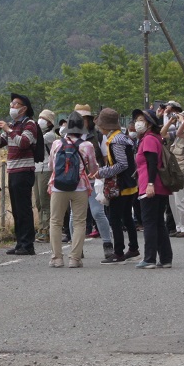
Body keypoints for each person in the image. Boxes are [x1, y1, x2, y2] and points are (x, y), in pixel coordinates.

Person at [47, 112, 100, 268]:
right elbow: (93, 168)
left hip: (58, 187)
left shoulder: (57, 144)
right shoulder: (87, 145)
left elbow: (51, 166)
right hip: (80, 187)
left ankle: (57, 258)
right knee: (79, 222)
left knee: (55, 221)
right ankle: (74, 259)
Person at [0, 92, 41, 255]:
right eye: (11, 104)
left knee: (24, 208)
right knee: (16, 209)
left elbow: (24, 143)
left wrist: (8, 128)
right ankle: (20, 242)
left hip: (24, 170)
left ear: (24, 108)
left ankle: (28, 245)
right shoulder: (13, 125)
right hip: (13, 170)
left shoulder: (30, 124)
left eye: (15, 104)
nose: (12, 106)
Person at [96, 107, 139, 263]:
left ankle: (119, 252)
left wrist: (102, 172)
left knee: (115, 218)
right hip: (130, 182)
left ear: (105, 126)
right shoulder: (123, 137)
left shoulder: (115, 140)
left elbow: (122, 164)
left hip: (120, 184)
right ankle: (133, 248)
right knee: (127, 216)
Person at [132, 108, 173, 268]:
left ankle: (149, 258)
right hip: (158, 186)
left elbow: (151, 163)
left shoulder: (148, 139)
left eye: (141, 119)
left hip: (150, 186)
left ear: (149, 123)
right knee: (158, 223)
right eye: (136, 119)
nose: (137, 123)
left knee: (149, 222)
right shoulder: (154, 137)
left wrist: (149, 184)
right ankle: (165, 258)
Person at [75, 104, 115, 255]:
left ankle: (107, 243)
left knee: (97, 212)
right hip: (75, 181)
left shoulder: (98, 135)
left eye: (83, 118)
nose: (80, 121)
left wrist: (103, 175)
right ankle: (77, 248)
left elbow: (106, 158)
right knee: (75, 215)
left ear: (88, 120)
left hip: (94, 180)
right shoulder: (68, 137)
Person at [166, 105, 184, 237]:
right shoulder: (176, 133)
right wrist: (170, 121)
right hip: (173, 171)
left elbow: (183, 132)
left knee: (180, 200)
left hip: (183, 171)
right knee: (173, 201)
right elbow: (162, 133)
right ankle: (179, 226)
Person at [33, 109, 58, 243]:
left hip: (45, 169)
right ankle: (41, 227)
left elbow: (35, 140)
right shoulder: (41, 134)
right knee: (38, 201)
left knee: (44, 201)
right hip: (36, 168)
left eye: (44, 119)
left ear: (49, 123)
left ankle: (46, 229)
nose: (41, 120)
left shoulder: (50, 135)